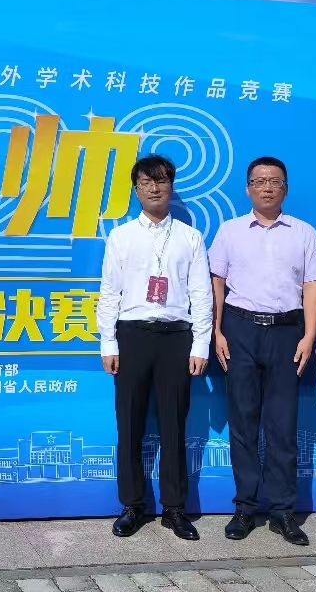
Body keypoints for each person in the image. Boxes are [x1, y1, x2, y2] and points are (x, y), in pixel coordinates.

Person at [210, 156, 316, 546]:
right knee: (243, 423)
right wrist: (217, 331)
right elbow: (217, 282)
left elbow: (313, 285)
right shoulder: (229, 231)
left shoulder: (303, 232)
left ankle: (282, 511)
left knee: (282, 425)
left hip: (287, 333)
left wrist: (309, 336)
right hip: (239, 330)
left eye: (275, 181)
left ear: (285, 188)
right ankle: (245, 507)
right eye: (259, 181)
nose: (267, 187)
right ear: (248, 188)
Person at [96, 154, 213, 540]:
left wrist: (200, 344)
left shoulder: (190, 237)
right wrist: (108, 342)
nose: (154, 188)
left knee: (173, 424)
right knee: (129, 423)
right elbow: (109, 292)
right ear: (136, 189)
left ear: (171, 186)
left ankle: (174, 509)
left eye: (161, 181)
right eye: (146, 182)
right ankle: (132, 505)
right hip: (132, 336)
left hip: (177, 338)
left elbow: (201, 294)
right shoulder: (122, 236)